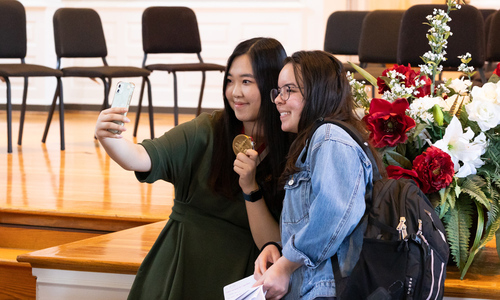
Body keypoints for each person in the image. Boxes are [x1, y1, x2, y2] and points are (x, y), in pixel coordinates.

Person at [94, 37, 291, 300]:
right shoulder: (208, 129)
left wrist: (250, 187)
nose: (235, 92)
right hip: (182, 266)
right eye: (230, 81)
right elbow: (142, 157)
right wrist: (110, 138)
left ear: (271, 86)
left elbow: (274, 242)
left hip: (240, 276)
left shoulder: (291, 145)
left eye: (246, 81)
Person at [254, 50, 380, 300]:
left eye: (288, 90)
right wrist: (281, 250)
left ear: (318, 92)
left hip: (324, 291)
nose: (278, 99)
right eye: (278, 91)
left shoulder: (329, 137)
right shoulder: (318, 140)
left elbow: (334, 214)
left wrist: (285, 265)